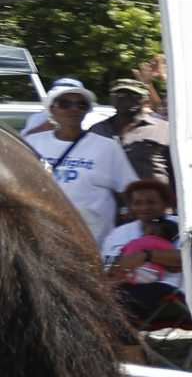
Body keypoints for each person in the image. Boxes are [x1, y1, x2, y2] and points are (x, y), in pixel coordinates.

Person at [25, 84, 138, 244]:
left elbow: (129, 190)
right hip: (43, 236)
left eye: (81, 105)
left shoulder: (107, 147)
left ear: (87, 111)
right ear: (52, 109)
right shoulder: (33, 143)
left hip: (92, 240)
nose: (74, 109)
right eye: (65, 104)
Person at [102, 178, 183, 330]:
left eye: (151, 202)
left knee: (119, 300)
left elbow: (187, 260)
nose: (144, 207)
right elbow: (108, 267)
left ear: (165, 204)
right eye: (137, 203)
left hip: (169, 291)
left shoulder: (182, 226)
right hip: (125, 287)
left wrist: (146, 255)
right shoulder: (118, 233)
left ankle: (130, 348)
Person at [89, 78, 173, 196]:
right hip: (107, 204)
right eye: (121, 95)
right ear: (112, 99)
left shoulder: (164, 129)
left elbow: (176, 169)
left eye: (134, 95)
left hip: (150, 206)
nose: (127, 99)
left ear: (145, 99)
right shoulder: (97, 129)